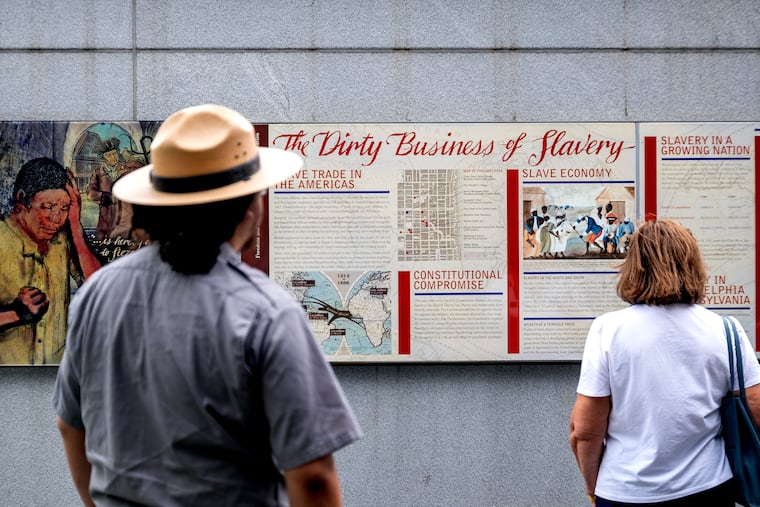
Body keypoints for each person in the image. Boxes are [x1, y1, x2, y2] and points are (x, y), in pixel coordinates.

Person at [53, 104, 362, 506]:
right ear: (248, 206)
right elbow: (314, 477)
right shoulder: (266, 313)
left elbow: (70, 425)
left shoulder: (98, 294)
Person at [569, 219, 760, 506]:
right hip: (707, 486)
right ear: (692, 264)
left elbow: (585, 431)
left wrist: (592, 487)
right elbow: (756, 408)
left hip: (625, 490)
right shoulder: (725, 330)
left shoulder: (608, 330)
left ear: (634, 266)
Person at [0, 157, 100, 365]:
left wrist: (75, 225)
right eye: (49, 207)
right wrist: (15, 314)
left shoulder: (63, 239)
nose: (58, 218)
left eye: (64, 208)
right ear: (21, 201)